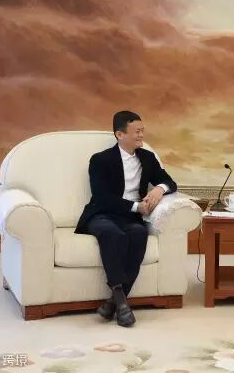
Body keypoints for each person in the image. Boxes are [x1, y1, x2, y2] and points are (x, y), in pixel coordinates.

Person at [75, 110, 177, 327]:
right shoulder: (100, 160)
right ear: (119, 135)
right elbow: (102, 197)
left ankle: (113, 303)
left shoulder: (147, 158)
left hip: (131, 218)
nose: (141, 135)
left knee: (139, 233)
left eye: (142, 130)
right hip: (102, 214)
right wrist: (137, 207)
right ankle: (121, 302)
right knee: (113, 234)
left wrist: (159, 188)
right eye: (136, 131)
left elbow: (170, 182)